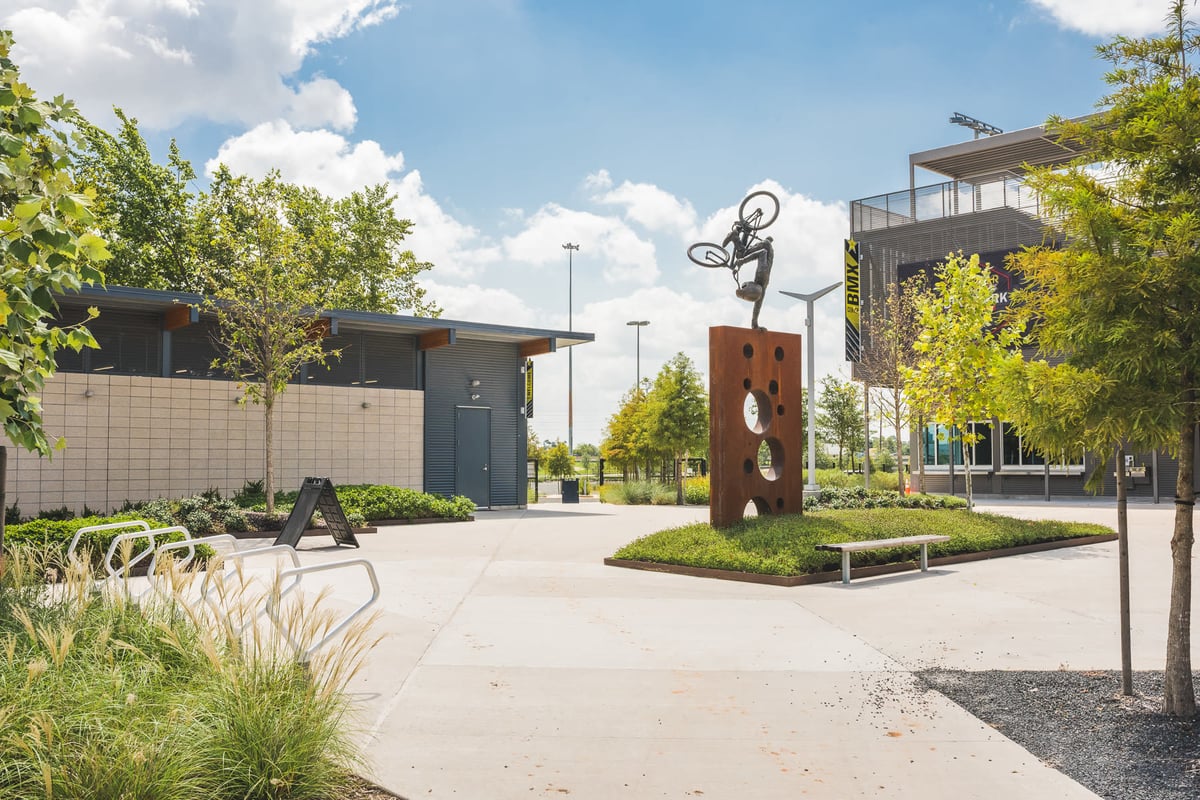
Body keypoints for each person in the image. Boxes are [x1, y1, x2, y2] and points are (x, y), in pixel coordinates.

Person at [722, 220, 774, 329]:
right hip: (765, 246)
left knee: (742, 253)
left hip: (768, 246)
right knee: (741, 255)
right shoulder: (762, 274)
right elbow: (762, 252)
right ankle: (734, 236)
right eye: (745, 286)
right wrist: (742, 261)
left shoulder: (762, 289)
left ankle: (747, 231)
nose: (746, 283)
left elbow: (757, 306)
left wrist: (754, 324)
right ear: (751, 287)